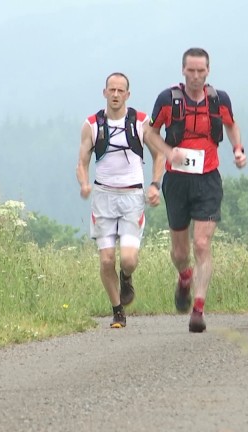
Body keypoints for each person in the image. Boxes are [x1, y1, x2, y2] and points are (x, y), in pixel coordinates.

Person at [142, 47, 247, 333]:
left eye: (201, 71)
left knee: (201, 244)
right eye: (191, 71)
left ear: (208, 71)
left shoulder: (219, 99)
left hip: (208, 179)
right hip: (177, 181)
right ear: (183, 70)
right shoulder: (168, 100)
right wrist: (167, 152)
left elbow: (231, 124)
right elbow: (149, 132)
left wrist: (238, 150)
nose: (196, 76)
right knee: (179, 252)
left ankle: (198, 308)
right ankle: (184, 277)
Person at [76, 72, 164, 329]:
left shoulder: (141, 122)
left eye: (120, 91)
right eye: (111, 90)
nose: (115, 95)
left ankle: (126, 277)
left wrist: (155, 185)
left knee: (127, 259)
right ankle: (117, 311)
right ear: (104, 92)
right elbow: (81, 163)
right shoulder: (91, 125)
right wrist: (84, 183)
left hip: (132, 197)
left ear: (128, 95)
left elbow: (159, 155)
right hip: (103, 196)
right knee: (106, 260)